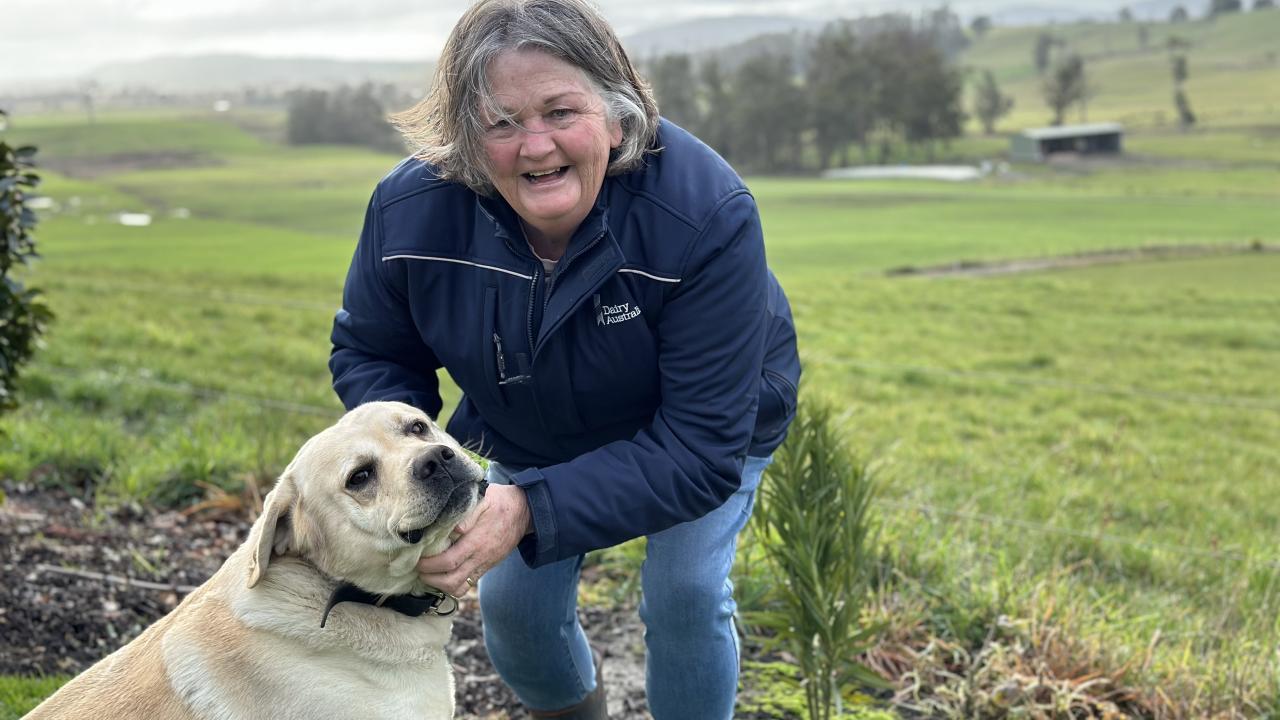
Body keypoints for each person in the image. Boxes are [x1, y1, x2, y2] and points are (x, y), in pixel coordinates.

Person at [328, 0, 800, 717]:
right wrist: (412, 461)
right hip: (533, 426)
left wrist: (530, 509)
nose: (535, 146)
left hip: (698, 431)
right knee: (512, 609)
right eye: (502, 123)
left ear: (619, 118)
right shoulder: (408, 213)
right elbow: (373, 348)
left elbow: (702, 446)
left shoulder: (707, 213)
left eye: (560, 112)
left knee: (686, 594)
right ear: (466, 138)